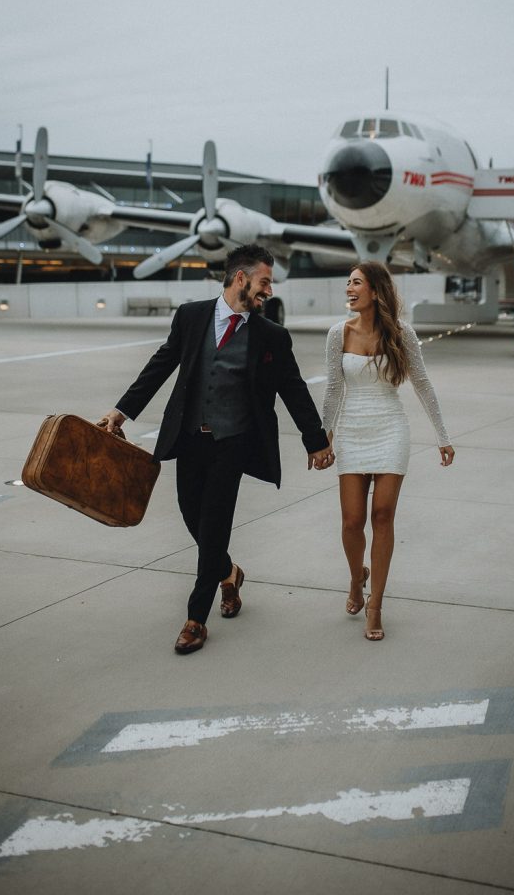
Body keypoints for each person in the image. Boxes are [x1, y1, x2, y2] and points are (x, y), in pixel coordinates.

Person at [99, 244, 334, 655]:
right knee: (192, 513)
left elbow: (292, 388)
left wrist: (315, 441)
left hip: (235, 443)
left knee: (214, 526)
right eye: (264, 282)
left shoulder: (271, 336)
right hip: (190, 437)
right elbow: (161, 364)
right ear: (240, 278)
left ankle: (195, 618)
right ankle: (229, 572)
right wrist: (122, 412)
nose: (268, 291)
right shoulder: (191, 317)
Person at [322, 261, 454, 642]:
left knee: (382, 515)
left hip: (391, 428)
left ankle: (376, 605)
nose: (349, 287)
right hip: (351, 428)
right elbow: (333, 389)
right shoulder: (338, 333)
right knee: (351, 521)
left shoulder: (402, 333)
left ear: (376, 291)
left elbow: (423, 385)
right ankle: (355, 578)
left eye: (357, 282)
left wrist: (442, 436)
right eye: (347, 281)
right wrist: (323, 437)